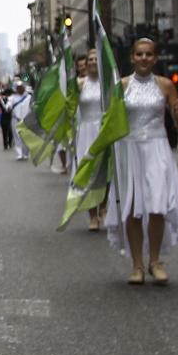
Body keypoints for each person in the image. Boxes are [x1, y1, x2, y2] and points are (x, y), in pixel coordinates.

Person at [105, 38, 178, 285]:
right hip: (130, 151)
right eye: (139, 54)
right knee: (132, 209)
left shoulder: (165, 85)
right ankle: (137, 265)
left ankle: (155, 261)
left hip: (157, 149)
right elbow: (112, 121)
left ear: (155, 58)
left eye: (149, 54)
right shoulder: (121, 86)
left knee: (157, 207)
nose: (144, 58)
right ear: (132, 57)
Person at [74, 49, 105, 231]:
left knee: (105, 173)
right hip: (86, 132)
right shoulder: (79, 84)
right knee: (89, 175)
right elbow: (69, 105)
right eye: (90, 59)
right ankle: (92, 216)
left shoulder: (110, 83)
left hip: (103, 131)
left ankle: (103, 206)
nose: (93, 62)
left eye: (96, 59)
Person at [7, 81, 32, 161]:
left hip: (26, 120)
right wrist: (8, 107)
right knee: (17, 137)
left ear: (24, 88)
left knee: (26, 137)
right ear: (16, 89)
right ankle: (19, 154)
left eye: (21, 87)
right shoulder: (12, 98)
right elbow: (8, 106)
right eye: (18, 88)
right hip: (15, 119)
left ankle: (26, 154)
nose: (20, 89)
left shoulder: (29, 97)